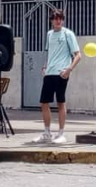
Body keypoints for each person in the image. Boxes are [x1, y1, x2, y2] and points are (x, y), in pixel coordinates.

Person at [32, 9, 82, 145]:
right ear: (51, 20)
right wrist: (45, 66)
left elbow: (78, 55)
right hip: (49, 72)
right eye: (55, 18)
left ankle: (61, 133)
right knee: (44, 102)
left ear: (63, 19)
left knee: (60, 101)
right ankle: (47, 132)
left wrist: (69, 69)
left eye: (60, 18)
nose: (58, 21)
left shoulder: (68, 34)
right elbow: (49, 53)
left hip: (62, 72)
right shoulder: (49, 34)